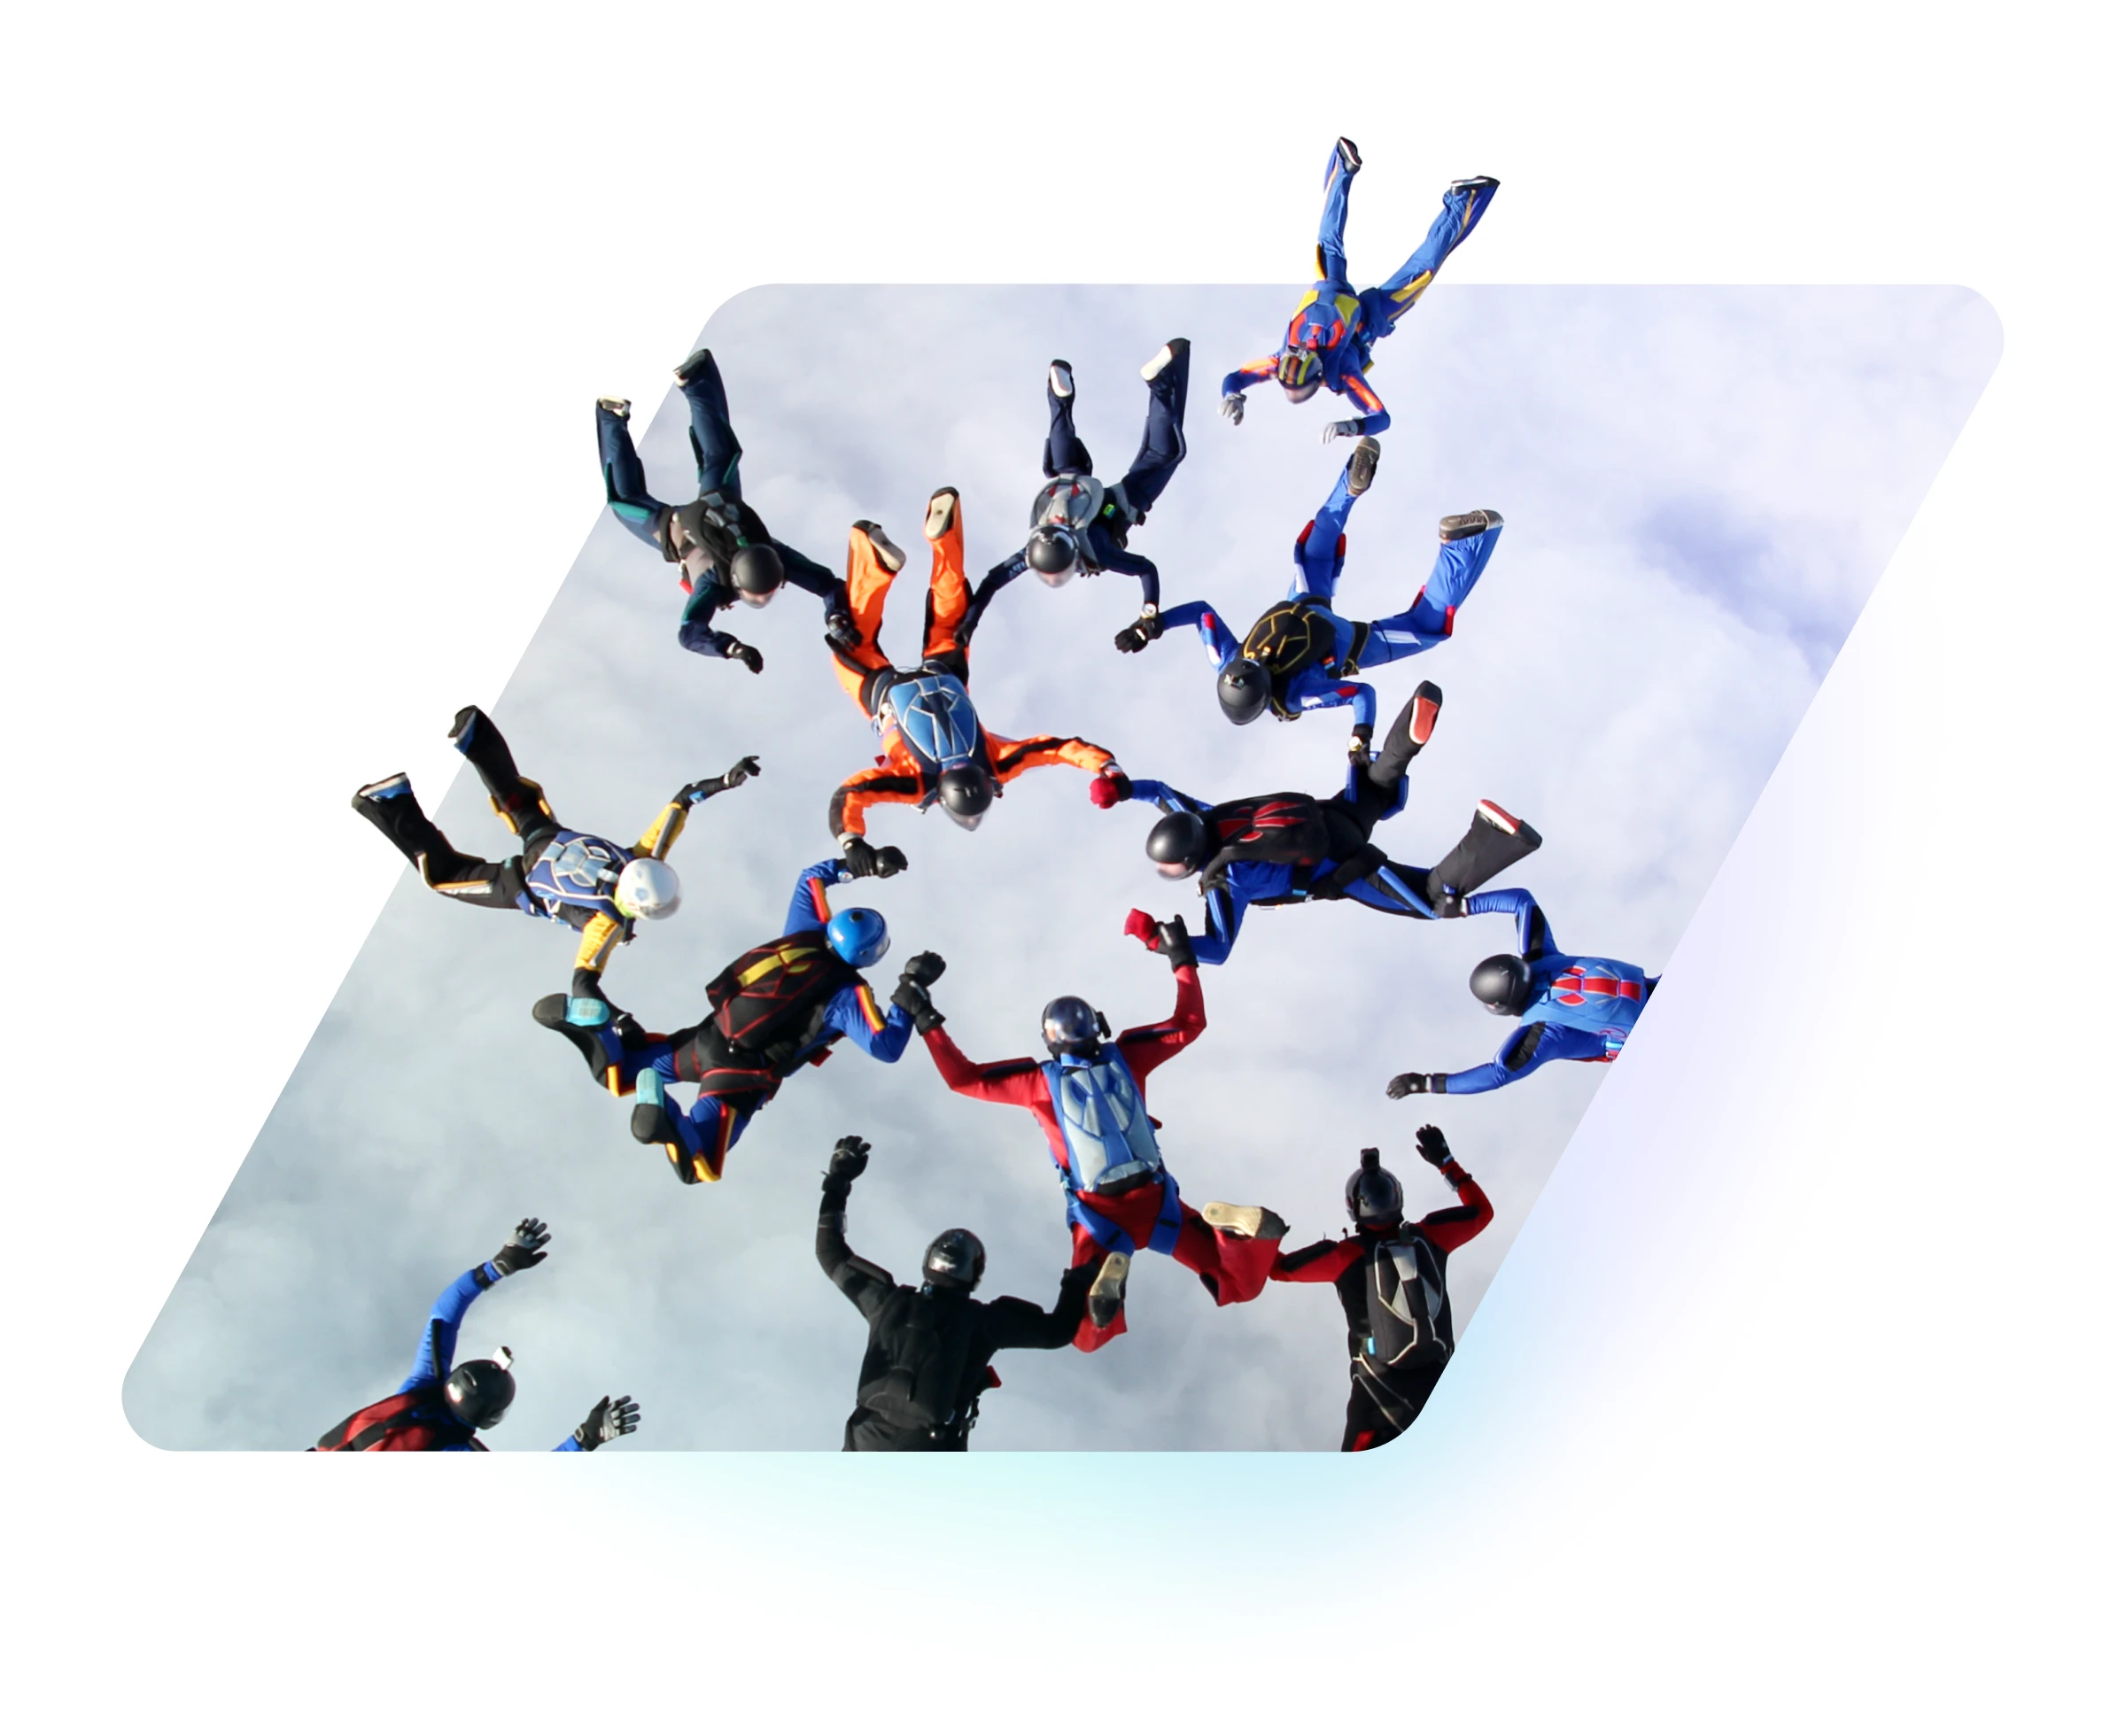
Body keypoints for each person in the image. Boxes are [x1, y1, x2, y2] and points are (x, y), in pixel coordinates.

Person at [893, 928, 1287, 1352]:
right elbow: (1190, 1024)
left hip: (1100, 1220)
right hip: (1160, 1205)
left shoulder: (1037, 1082)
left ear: (1048, 1039)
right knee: (1239, 1285)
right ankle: (1237, 1234)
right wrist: (1182, 961)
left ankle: (1106, 1302)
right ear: (1096, 1026)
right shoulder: (1128, 1055)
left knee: (1082, 1334)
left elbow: (962, 1078)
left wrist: (926, 1019)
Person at [532, 858, 935, 1184]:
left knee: (619, 1071)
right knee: (699, 1163)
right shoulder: (848, 994)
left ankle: (596, 1026)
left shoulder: (806, 931)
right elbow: (886, 1047)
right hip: (741, 1075)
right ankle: (669, 1117)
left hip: (705, 1040)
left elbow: (811, 875)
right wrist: (909, 990)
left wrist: (862, 863)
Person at [1095, 681, 1540, 966]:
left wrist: (1156, 940)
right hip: (1331, 815)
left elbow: (1218, 949)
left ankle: (1493, 834)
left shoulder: (1226, 882)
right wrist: (1120, 789)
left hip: (1345, 865)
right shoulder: (1202, 816)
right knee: (1377, 790)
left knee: (1431, 900)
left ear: (1190, 860)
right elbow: (1160, 791)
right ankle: (1408, 734)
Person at [353, 704, 757, 1004]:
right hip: (519, 886)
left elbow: (683, 801)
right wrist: (606, 1014)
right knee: (445, 877)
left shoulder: (641, 854)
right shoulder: (607, 922)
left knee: (516, 798)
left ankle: (474, 735)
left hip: (547, 839)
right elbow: (585, 976)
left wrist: (725, 779)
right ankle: (390, 801)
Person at [824, 486, 1126, 868]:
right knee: (853, 643)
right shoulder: (914, 782)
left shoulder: (997, 763)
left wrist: (1106, 767)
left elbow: (1058, 748)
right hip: (885, 692)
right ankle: (874, 561)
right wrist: (853, 842)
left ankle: (943, 541)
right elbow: (851, 794)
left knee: (949, 615)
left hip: (945, 674)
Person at [1126, 444, 1503, 747]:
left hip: (1349, 643)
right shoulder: (1228, 658)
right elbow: (1201, 613)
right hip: (1301, 604)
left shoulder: (1294, 697)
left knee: (1427, 627)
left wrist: (1361, 736)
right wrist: (1151, 626)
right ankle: (1348, 488)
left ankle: (1460, 546)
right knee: (1314, 553)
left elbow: (1361, 693)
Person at [816, 1135, 1092, 1450]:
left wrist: (839, 1179)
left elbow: (830, 1252)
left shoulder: (887, 1301)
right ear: (974, 1275)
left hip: (866, 1437)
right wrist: (1079, 1280)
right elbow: (1058, 1332)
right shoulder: (983, 1322)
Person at [1219, 138, 1498, 442]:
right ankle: (1460, 197)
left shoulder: (1309, 366)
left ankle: (1346, 166)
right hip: (1365, 313)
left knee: (1343, 242)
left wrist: (1232, 395)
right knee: (1417, 267)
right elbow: (1380, 418)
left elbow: (1237, 377)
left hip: (1338, 294)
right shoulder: (1324, 369)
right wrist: (1350, 427)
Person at [595, 347, 855, 672]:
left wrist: (837, 616)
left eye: (766, 594)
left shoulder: (775, 558)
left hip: (720, 499)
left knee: (720, 455)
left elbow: (829, 585)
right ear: (735, 580)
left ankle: (696, 377)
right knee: (624, 500)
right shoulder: (712, 582)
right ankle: (612, 416)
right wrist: (731, 648)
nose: (761, 600)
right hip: (677, 529)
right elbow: (689, 632)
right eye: (756, 595)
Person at [312, 1219, 640, 1453]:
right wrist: (585, 1439)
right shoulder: (455, 1448)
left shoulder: (424, 1387)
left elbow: (444, 1314)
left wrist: (497, 1266)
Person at [953, 342, 1191, 654]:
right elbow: (992, 581)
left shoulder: (1098, 553)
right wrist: (969, 622)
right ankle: (1059, 400)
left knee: (1163, 453)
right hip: (1072, 485)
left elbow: (1146, 569)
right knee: (1067, 468)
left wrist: (1148, 615)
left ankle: (1159, 385)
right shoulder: (1033, 549)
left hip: (1117, 505)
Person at [1271, 1129, 1493, 1451]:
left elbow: (1279, 1270)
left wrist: (1255, 1236)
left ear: (1353, 1208)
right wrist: (1446, 1164)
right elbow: (1482, 1212)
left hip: (1379, 1401)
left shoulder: (1346, 1255)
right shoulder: (1431, 1236)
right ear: (1398, 1197)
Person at [1385, 889, 1659, 1097]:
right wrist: (1462, 906)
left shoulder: (1544, 1031)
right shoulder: (1541, 956)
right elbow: (1521, 901)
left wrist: (1424, 1083)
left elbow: (1498, 1073)